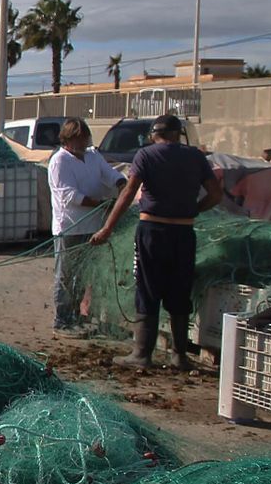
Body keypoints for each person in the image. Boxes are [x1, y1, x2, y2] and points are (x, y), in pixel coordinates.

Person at [90, 114, 222, 370]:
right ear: (177, 134)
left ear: (153, 135)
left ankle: (141, 354)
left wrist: (108, 228)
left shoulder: (146, 156)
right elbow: (216, 194)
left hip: (152, 231)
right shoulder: (195, 156)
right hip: (184, 233)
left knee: (148, 289)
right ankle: (179, 356)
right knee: (180, 290)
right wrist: (194, 209)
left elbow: (129, 192)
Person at [47, 118, 125, 331]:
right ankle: (62, 320)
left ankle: (76, 315)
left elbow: (110, 174)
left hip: (93, 227)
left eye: (84, 139)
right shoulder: (59, 161)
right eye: (77, 140)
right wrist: (101, 204)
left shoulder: (92, 156)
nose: (82, 144)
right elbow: (69, 195)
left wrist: (121, 184)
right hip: (70, 227)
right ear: (67, 140)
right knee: (65, 274)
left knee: (83, 276)